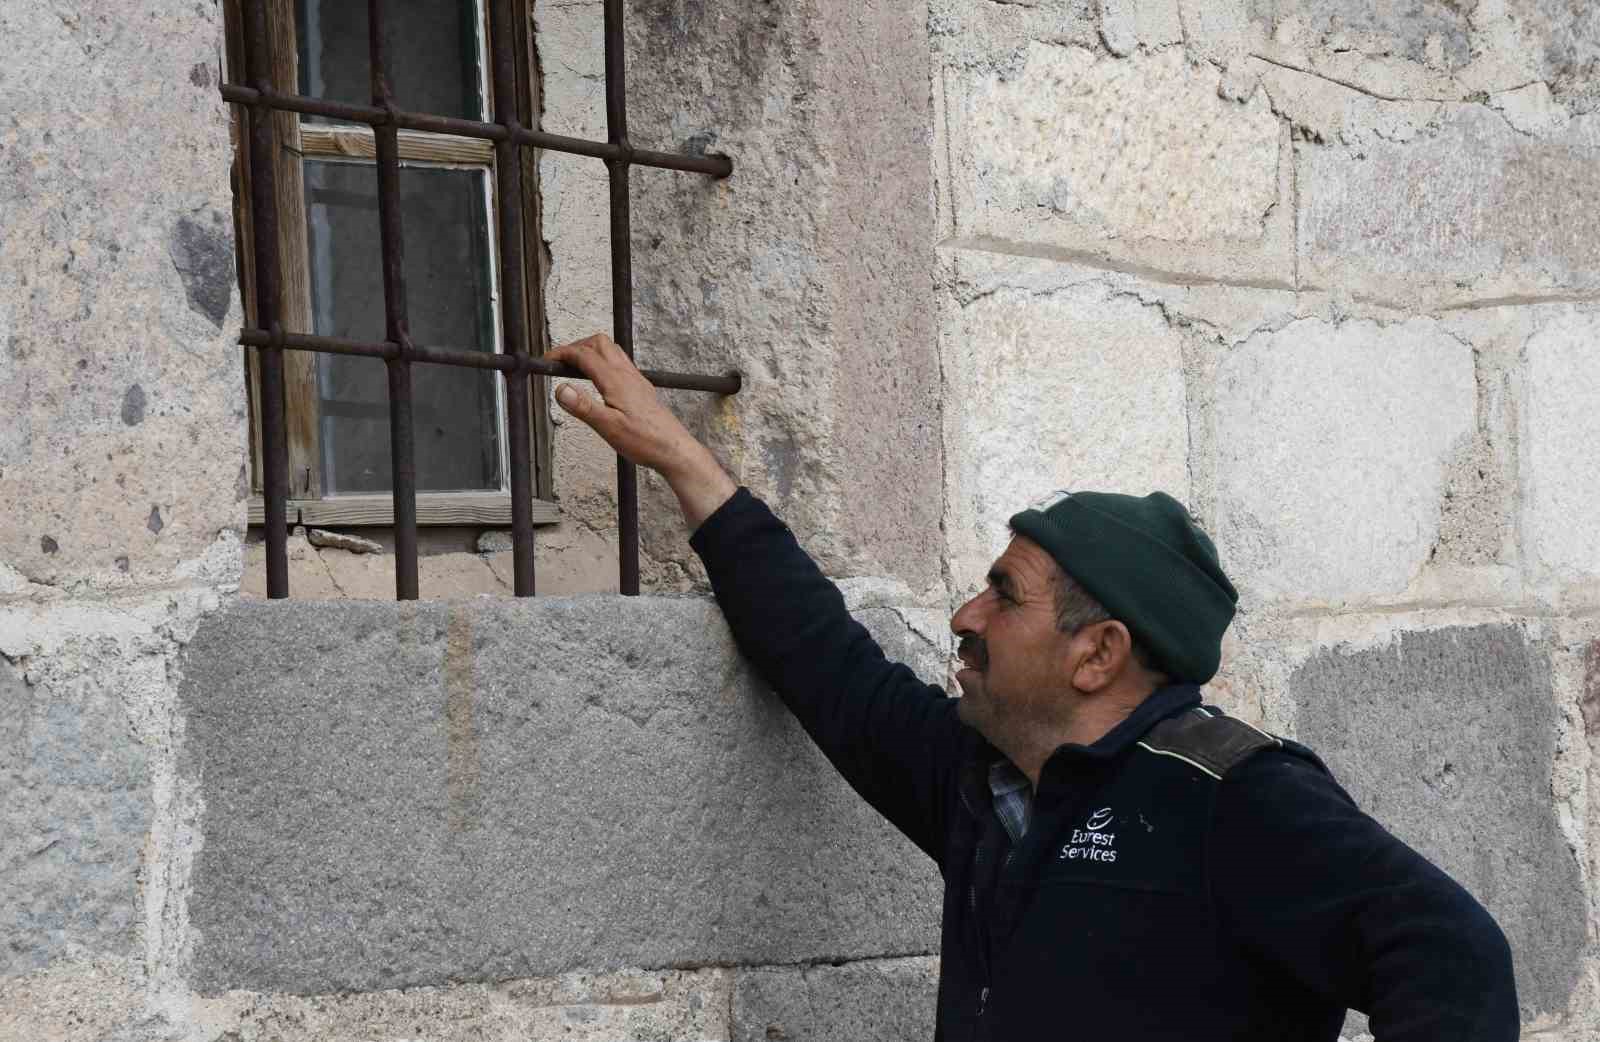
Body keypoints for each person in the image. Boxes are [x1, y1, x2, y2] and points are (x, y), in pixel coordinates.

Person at [546, 332, 1519, 1042]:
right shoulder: (979, 771)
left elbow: (1453, 953)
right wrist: (682, 459)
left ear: (1096, 653)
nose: (965, 613)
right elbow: (818, 653)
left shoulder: (1231, 795)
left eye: (1003, 595)